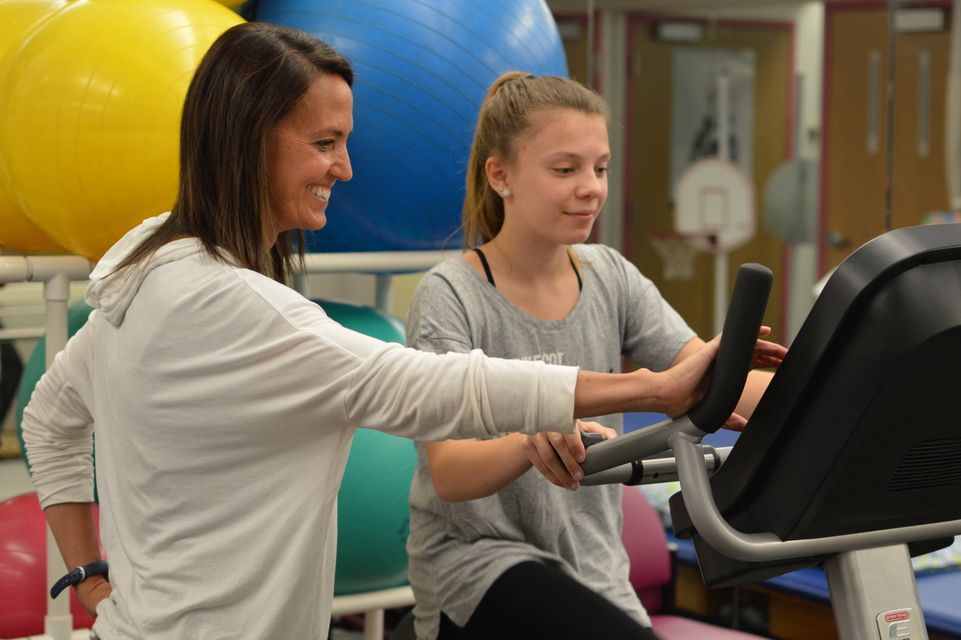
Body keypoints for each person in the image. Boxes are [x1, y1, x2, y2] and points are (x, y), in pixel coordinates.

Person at [17, 24, 783, 640]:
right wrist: (647, 387)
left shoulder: (154, 275)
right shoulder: (227, 303)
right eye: (323, 144)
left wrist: (85, 575)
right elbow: (427, 387)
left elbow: (48, 419)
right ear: (246, 141)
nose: (346, 169)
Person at [404, 71, 783, 640]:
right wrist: (527, 441)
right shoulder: (450, 294)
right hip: (480, 564)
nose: (592, 188)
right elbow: (450, 471)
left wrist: (832, 397)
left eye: (600, 168)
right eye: (565, 169)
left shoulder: (610, 275)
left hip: (593, 564)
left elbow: (700, 377)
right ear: (500, 175)